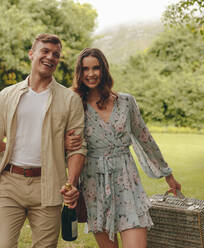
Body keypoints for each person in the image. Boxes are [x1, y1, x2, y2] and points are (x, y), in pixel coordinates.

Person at [65, 48, 181, 248]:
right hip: (94, 182)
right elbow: (60, 138)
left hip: (127, 180)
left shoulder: (126, 102)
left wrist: (167, 173)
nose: (91, 74)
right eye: (85, 69)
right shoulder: (75, 104)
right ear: (79, 72)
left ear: (104, 70)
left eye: (96, 68)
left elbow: (145, 138)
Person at [0, 33, 87, 248]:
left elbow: (78, 148)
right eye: (45, 51)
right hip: (10, 183)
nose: (50, 57)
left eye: (56, 54)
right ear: (32, 54)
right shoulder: (7, 95)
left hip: (49, 186)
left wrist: (71, 184)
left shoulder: (70, 100)